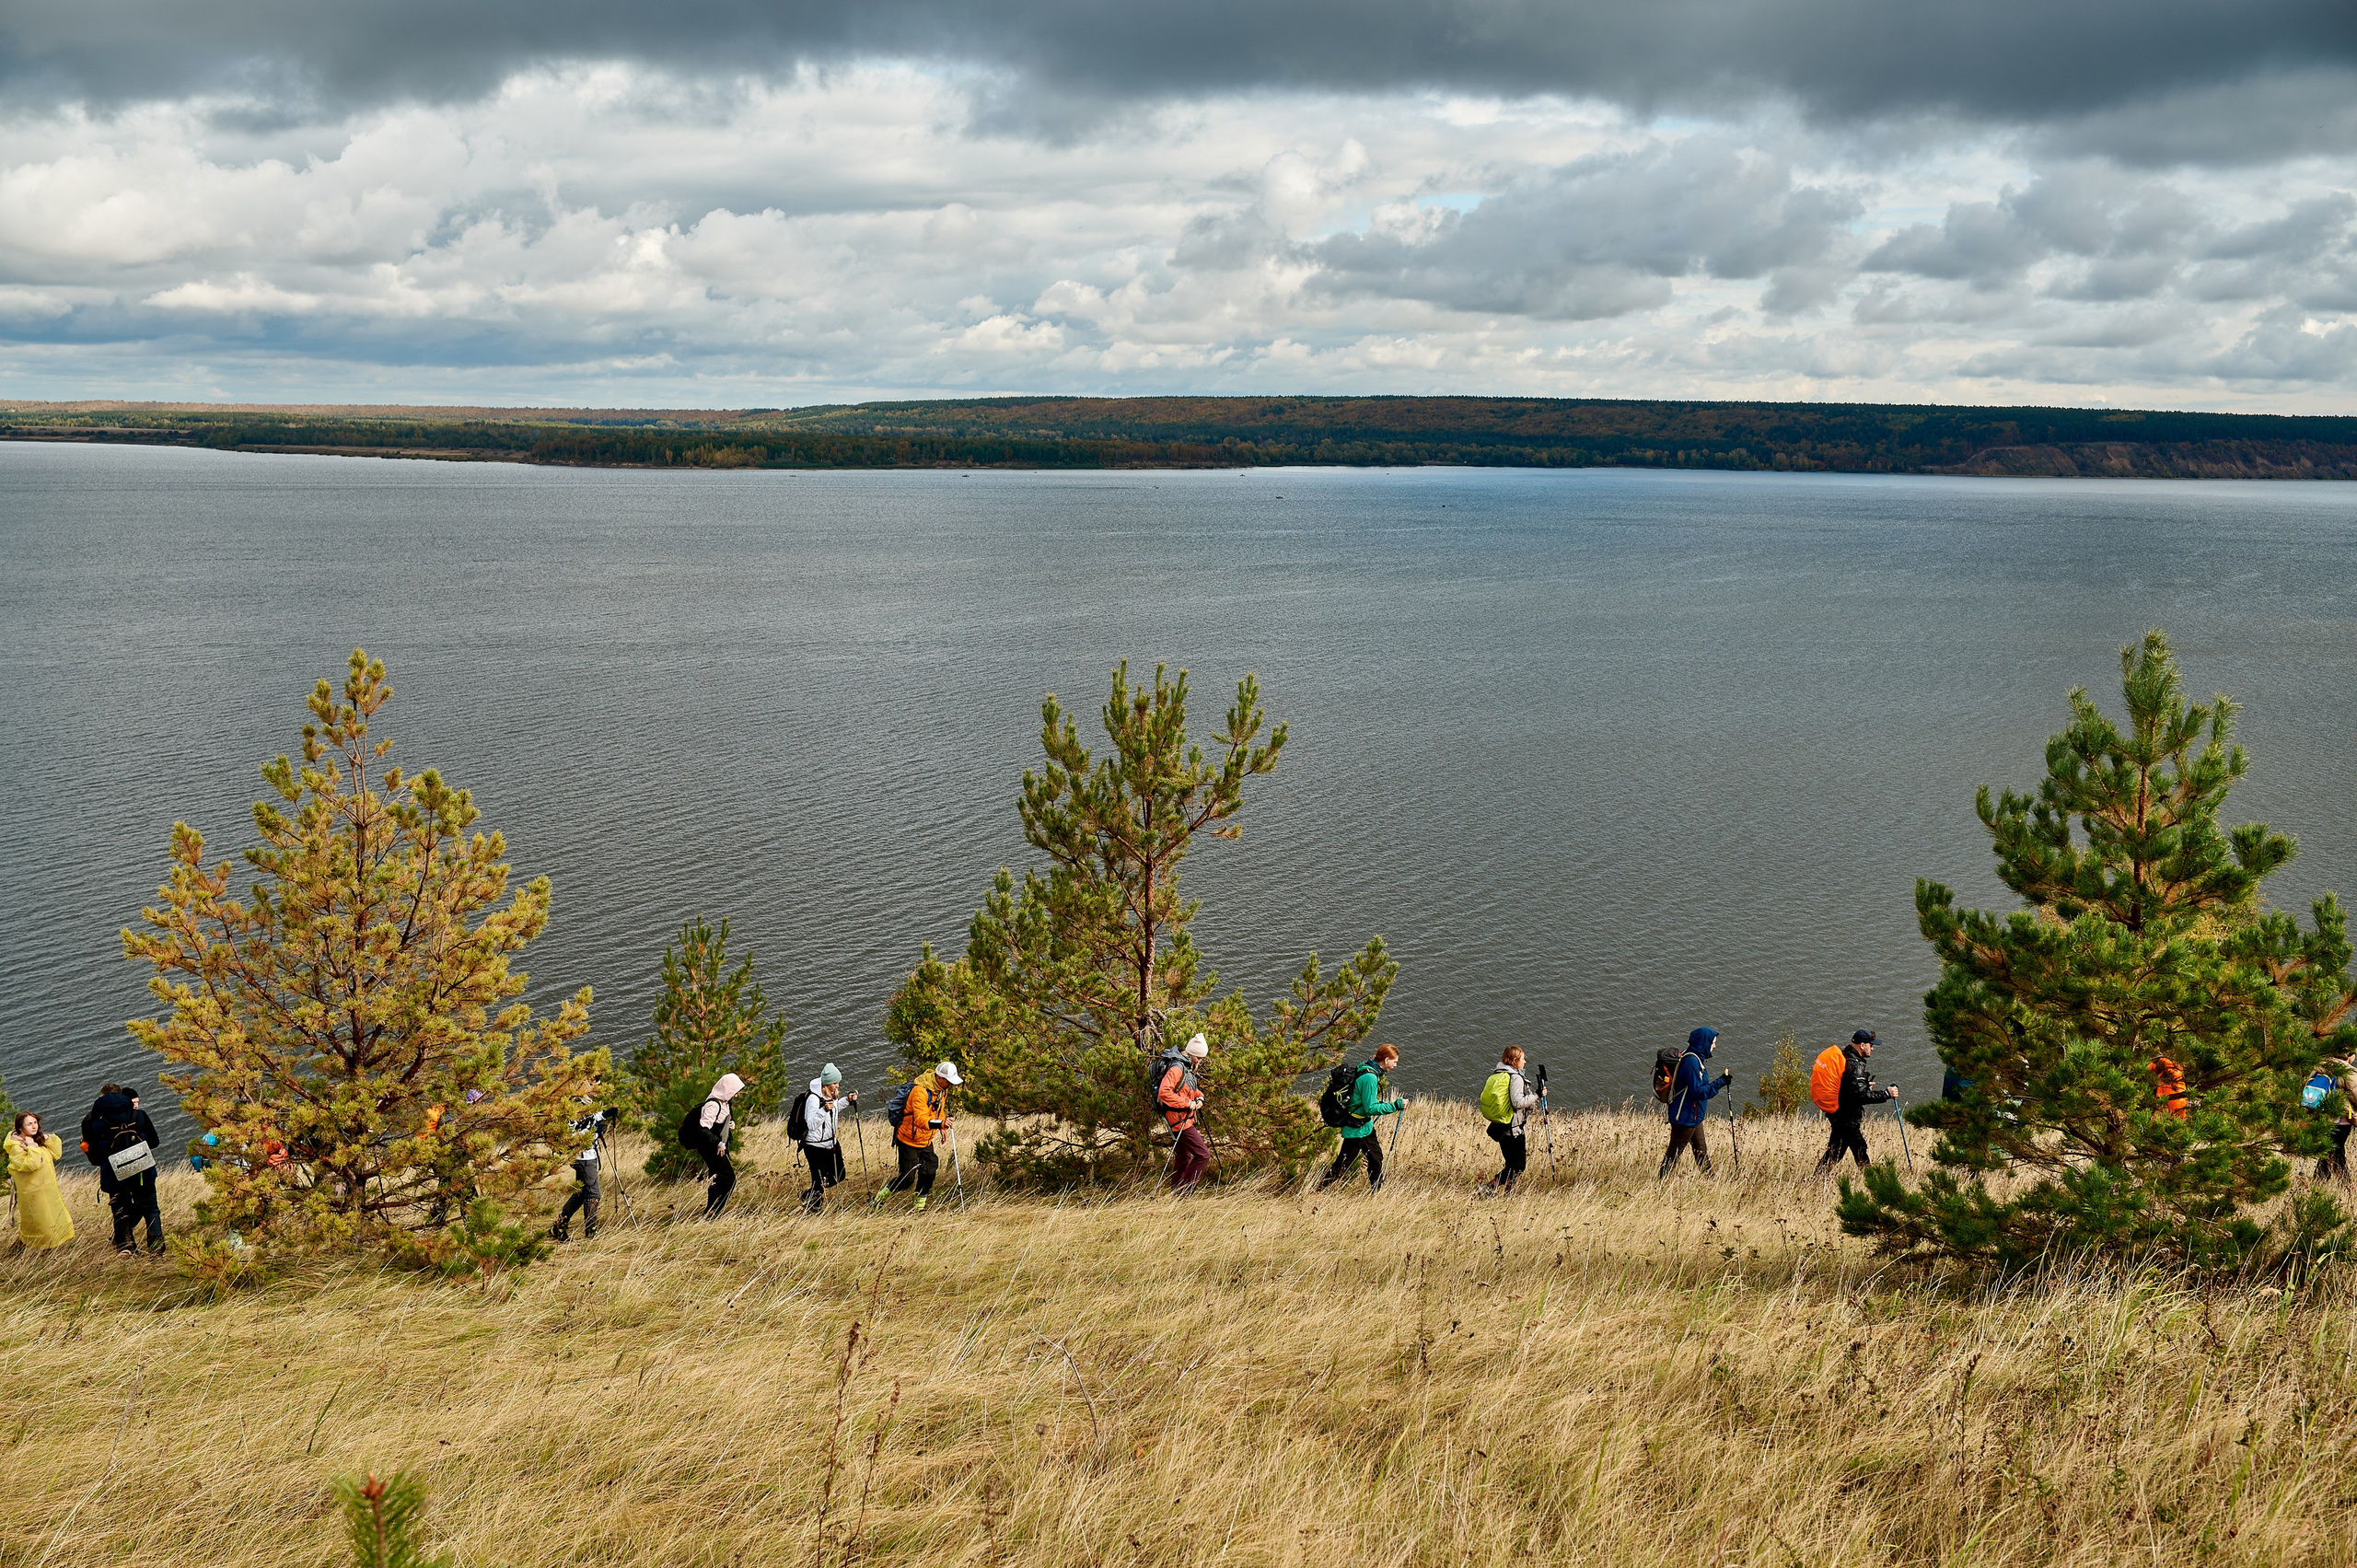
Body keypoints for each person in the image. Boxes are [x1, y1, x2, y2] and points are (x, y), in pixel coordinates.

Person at [82, 1084, 163, 1254]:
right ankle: (156, 1250)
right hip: (143, 1171)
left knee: (120, 1211)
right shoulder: (138, 1115)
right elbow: (154, 1142)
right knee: (151, 1209)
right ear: (123, 1097)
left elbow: (96, 1157)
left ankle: (126, 1248)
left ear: (101, 1098)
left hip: (114, 1175)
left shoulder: (93, 1122)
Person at [1317, 1043, 1405, 1191]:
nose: (1395, 1065)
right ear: (1386, 1060)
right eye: (1395, 1062)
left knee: (1376, 1158)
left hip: (1365, 1126)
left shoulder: (1366, 1066)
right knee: (1343, 1164)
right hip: (1356, 1128)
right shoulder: (1370, 1077)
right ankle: (1318, 1190)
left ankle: (1376, 1191)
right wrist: (1395, 1105)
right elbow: (1370, 1107)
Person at [1815, 1029, 1898, 1175]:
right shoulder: (1855, 1065)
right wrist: (1886, 1094)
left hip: (1838, 1114)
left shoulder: (1845, 1056)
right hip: (1847, 1118)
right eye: (1871, 1045)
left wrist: (1864, 1085)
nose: (1872, 1048)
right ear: (1862, 1045)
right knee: (1859, 1149)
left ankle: (1817, 1178)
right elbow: (1860, 1096)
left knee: (1836, 1151)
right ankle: (1872, 1180)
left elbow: (1847, 1087)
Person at [887, 1061, 961, 1212]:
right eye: (949, 1081)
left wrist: (942, 1127)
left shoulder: (942, 1090)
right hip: (908, 1140)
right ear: (939, 1078)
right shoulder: (920, 1092)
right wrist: (941, 1124)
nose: (951, 1085)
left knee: (929, 1171)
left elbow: (939, 1111)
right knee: (907, 1179)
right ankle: (879, 1199)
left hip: (925, 1140)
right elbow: (921, 1120)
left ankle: (919, 1208)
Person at [1660, 1028, 1733, 1179]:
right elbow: (1697, 1091)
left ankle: (1711, 1180)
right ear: (1704, 1043)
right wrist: (1720, 1082)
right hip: (1685, 1117)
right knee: (1674, 1153)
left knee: (1701, 1151)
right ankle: (1661, 1182)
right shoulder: (1692, 1062)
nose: (1714, 1046)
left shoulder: (1695, 1057)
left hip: (1693, 1116)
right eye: (1713, 1043)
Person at [7, 1111, 75, 1251]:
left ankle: (21, 1248)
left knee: (50, 1221)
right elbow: (33, 1164)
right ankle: (42, 1251)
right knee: (41, 1224)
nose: (34, 1126)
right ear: (20, 1127)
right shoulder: (16, 1147)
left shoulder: (36, 1140)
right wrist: (32, 1146)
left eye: (35, 1123)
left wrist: (45, 1138)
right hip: (33, 1192)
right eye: (29, 1124)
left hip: (47, 1189)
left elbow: (57, 1153)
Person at [1479, 1047, 1541, 1195]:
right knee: (1519, 1167)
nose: (1525, 1062)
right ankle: (1488, 1188)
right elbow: (1518, 1103)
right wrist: (1537, 1095)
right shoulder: (1516, 1078)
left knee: (1511, 1164)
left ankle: (1509, 1192)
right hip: (1513, 1129)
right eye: (1523, 1059)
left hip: (1502, 1126)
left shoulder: (1499, 1073)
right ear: (1514, 1061)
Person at [552, 1101, 615, 1241]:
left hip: (587, 1158)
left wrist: (605, 1114)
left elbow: (590, 1118)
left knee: (581, 1194)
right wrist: (592, 1131)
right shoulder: (574, 1104)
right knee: (593, 1195)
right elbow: (571, 1134)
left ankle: (559, 1226)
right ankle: (591, 1232)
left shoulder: (583, 1101)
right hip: (584, 1159)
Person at [1156, 1033, 1213, 1192]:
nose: (1199, 1061)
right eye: (1199, 1058)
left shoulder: (1185, 1065)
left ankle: (1177, 1194)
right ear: (1192, 1053)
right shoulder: (1177, 1068)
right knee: (1203, 1155)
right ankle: (1186, 1193)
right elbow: (1164, 1093)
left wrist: (1199, 1096)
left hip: (1181, 1117)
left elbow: (1187, 1089)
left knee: (1184, 1156)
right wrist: (1188, 1103)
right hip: (1179, 1119)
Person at [799, 1064, 856, 1214]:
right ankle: (814, 1207)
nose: (838, 1085)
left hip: (831, 1142)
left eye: (838, 1083)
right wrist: (823, 1110)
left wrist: (847, 1100)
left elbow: (834, 1108)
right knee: (818, 1179)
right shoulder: (813, 1098)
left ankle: (808, 1196)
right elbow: (811, 1124)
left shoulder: (830, 1093)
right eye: (835, 1083)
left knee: (839, 1175)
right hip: (814, 1146)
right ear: (827, 1083)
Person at [691, 1073, 745, 1220]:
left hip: (716, 1148)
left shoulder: (725, 1102)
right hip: (711, 1149)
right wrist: (719, 1143)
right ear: (727, 1089)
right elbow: (703, 1129)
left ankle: (710, 1212)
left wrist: (731, 1124)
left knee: (716, 1179)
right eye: (734, 1092)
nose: (736, 1095)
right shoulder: (713, 1105)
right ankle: (714, 1213)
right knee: (729, 1179)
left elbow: (720, 1122)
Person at [2150, 1056, 2189, 1121]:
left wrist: (2162, 1058)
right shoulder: (2174, 1083)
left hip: (2170, 1108)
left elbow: (2176, 1071)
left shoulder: (2179, 1082)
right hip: (2168, 1110)